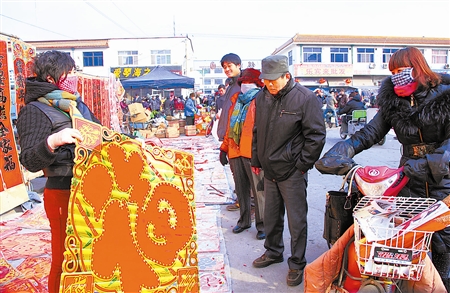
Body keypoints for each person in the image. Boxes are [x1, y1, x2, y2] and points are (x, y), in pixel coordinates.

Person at [315, 46, 450, 291]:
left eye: (403, 69)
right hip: (408, 180)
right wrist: (340, 152)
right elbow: (369, 133)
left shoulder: (445, 96)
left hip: (444, 181)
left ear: (419, 68)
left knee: (444, 247)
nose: (398, 75)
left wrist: (423, 165)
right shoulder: (393, 101)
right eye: (394, 71)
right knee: (405, 245)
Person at [16, 50, 100, 293]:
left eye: (74, 72)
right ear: (51, 78)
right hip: (63, 191)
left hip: (91, 190)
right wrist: (53, 141)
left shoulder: (75, 104)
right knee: (66, 258)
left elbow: (101, 135)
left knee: (91, 256)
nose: (74, 77)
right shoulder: (34, 110)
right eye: (69, 72)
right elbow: (29, 160)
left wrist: (137, 143)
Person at [251, 55, 326, 287]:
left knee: (297, 221)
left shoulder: (305, 99)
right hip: (269, 168)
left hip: (293, 171)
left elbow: (316, 136)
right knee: (271, 217)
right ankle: (273, 252)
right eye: (266, 80)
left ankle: (297, 263)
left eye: (274, 80)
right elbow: (257, 132)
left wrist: (302, 165)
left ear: (286, 75)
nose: (270, 84)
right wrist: (256, 159)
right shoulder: (262, 97)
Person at [219, 68, 265, 240]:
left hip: (252, 152)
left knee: (258, 191)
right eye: (243, 83)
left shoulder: (261, 101)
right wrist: (224, 149)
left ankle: (262, 225)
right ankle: (244, 220)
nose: (245, 86)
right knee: (241, 189)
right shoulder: (236, 101)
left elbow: (262, 131)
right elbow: (231, 128)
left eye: (249, 82)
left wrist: (260, 155)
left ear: (257, 84)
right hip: (235, 151)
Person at [216, 53, 242, 142]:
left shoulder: (244, 85)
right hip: (227, 135)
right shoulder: (231, 85)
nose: (227, 69)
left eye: (229, 66)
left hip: (236, 136)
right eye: (224, 67)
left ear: (238, 65)